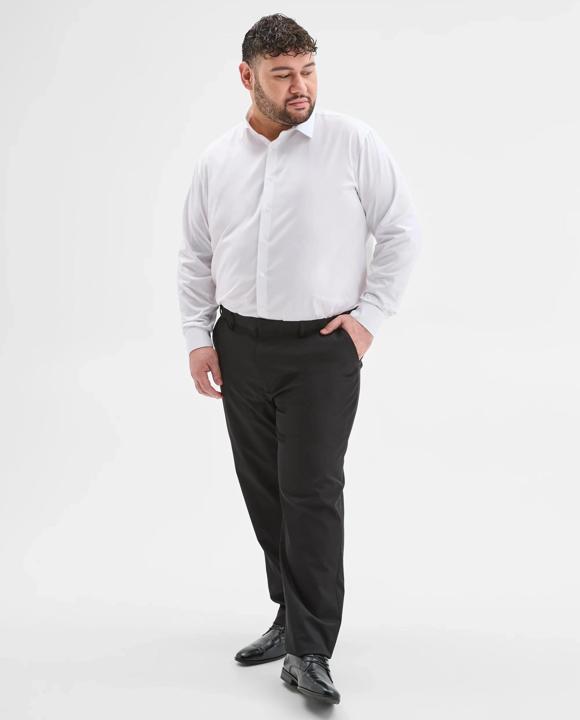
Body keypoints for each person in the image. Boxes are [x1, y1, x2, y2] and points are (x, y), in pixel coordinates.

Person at [176, 13, 422, 705]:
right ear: (247, 76)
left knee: (310, 492)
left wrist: (367, 322)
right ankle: (289, 615)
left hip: (321, 349)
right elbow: (195, 255)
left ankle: (312, 650)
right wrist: (199, 337)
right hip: (239, 345)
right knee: (264, 489)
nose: (300, 87)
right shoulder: (217, 160)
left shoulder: (351, 143)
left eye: (308, 71)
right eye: (282, 74)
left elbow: (401, 231)